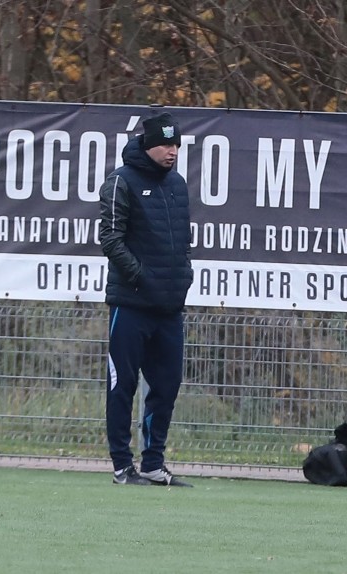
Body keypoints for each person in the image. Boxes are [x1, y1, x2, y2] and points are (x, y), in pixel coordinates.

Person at [99, 111, 194, 487]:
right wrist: (141, 277)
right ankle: (122, 466)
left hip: (169, 306)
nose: (172, 152)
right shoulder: (120, 181)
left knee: (168, 384)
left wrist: (182, 276)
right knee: (122, 385)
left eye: (176, 145)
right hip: (132, 303)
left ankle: (153, 463)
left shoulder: (178, 184)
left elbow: (181, 241)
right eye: (165, 145)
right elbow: (110, 238)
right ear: (148, 144)